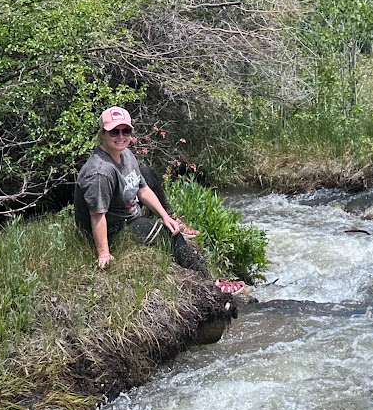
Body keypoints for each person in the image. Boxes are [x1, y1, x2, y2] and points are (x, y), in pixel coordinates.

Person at [74, 106, 245, 293]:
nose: (121, 136)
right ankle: (210, 284)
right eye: (114, 132)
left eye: (126, 131)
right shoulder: (101, 172)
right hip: (115, 228)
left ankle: (174, 219)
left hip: (126, 210)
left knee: (147, 175)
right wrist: (104, 253)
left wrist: (165, 216)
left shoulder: (126, 155)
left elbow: (143, 189)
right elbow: (97, 216)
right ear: (102, 134)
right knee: (169, 234)